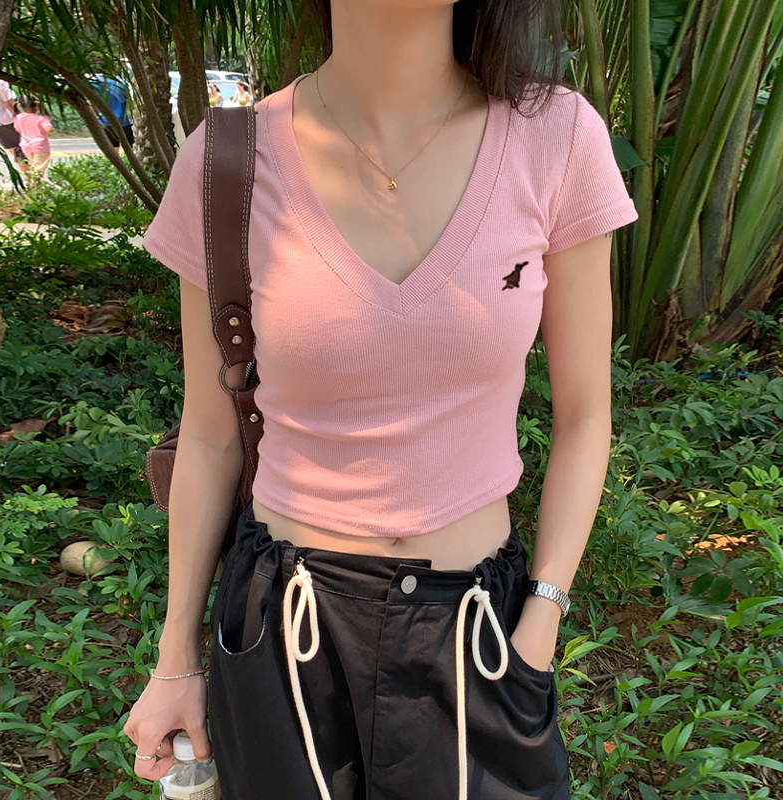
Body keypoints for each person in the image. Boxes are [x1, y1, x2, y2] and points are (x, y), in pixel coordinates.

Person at [127, 0, 639, 798]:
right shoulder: (226, 162)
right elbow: (210, 434)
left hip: (479, 630)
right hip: (281, 631)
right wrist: (174, 662)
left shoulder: (556, 137)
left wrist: (540, 622)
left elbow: (585, 416)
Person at [13, 96, 53, 185]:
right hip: (40, 146)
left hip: (25, 146)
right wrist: (51, 130)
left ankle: (31, 183)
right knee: (39, 167)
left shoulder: (18, 117)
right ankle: (34, 186)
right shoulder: (41, 118)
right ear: (37, 106)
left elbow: (18, 129)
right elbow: (48, 129)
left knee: (31, 165)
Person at [90, 74, 134, 152]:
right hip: (123, 120)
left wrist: (95, 117)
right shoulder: (120, 82)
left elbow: (90, 103)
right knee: (130, 146)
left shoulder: (93, 83)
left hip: (104, 120)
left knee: (113, 147)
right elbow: (128, 102)